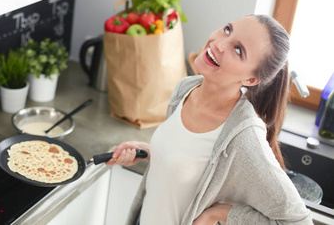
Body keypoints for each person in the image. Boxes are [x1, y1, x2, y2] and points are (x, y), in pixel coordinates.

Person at [107, 15, 313, 225]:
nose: (220, 44)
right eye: (227, 29)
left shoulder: (242, 138)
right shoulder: (186, 89)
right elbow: (192, 168)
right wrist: (151, 151)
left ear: (250, 79)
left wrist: (221, 213)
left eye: (238, 50)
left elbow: (298, 222)